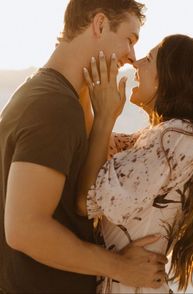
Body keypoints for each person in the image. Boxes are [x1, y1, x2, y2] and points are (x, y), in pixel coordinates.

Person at [0, 1, 168, 293]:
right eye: (129, 39)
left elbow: (83, 199)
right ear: (100, 24)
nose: (132, 57)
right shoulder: (54, 105)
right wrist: (122, 267)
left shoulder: (50, 94)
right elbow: (25, 229)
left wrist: (101, 116)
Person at [76, 34, 193, 293]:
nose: (137, 63)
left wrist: (106, 116)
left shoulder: (176, 138)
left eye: (149, 58)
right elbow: (93, 145)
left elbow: (86, 201)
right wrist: (90, 89)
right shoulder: (156, 140)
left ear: (170, 77)